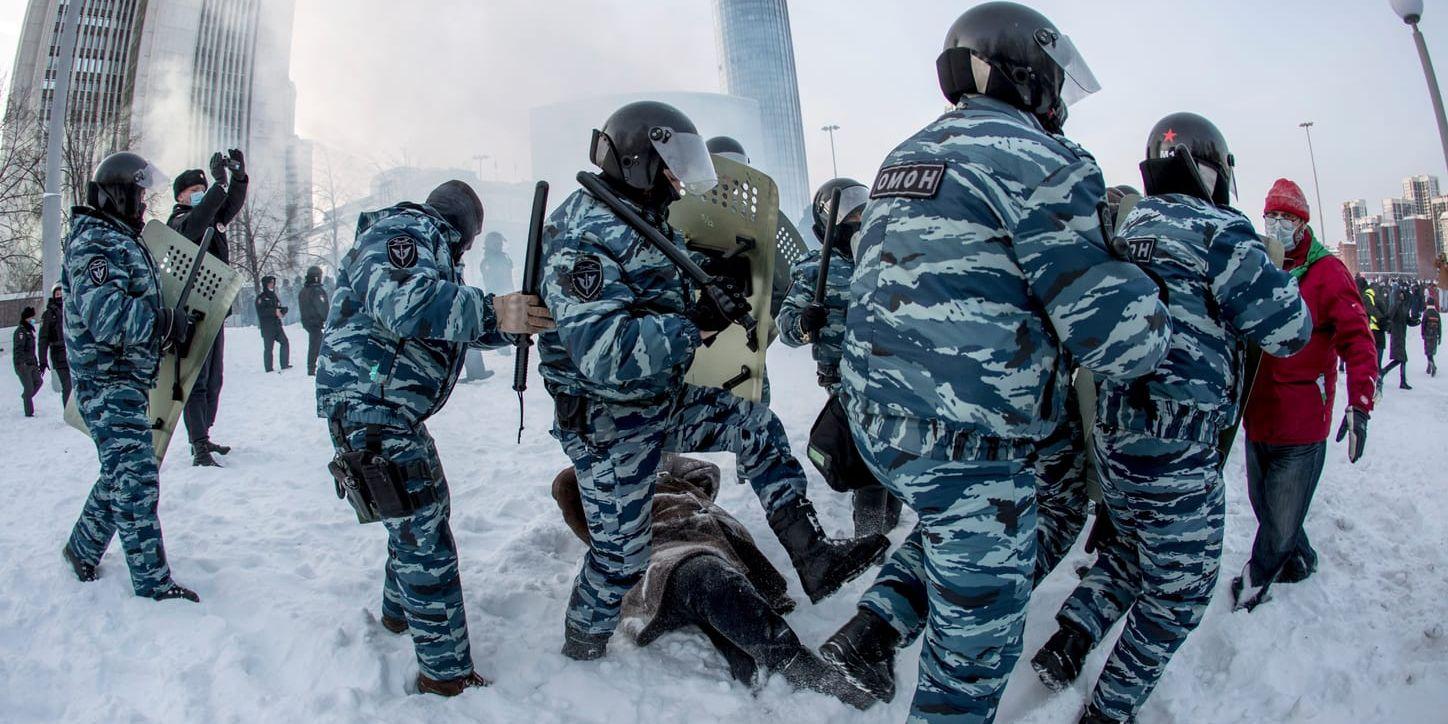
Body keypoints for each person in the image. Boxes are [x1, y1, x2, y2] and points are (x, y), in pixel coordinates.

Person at [824, 5, 1173, 721]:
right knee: (970, 662)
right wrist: (1138, 271)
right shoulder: (1046, 161)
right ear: (1031, 73)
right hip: (966, 439)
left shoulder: (905, 154)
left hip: (877, 425)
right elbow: (1120, 341)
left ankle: (875, 626)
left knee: (1042, 485)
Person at [536, 99, 889, 663]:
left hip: (656, 400)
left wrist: (708, 293)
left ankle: (814, 556)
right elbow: (602, 354)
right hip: (607, 422)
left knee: (753, 423)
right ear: (638, 159)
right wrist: (693, 324)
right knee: (621, 556)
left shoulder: (643, 215)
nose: (681, 181)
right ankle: (583, 642)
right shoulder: (585, 236)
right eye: (672, 165)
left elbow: (653, 300)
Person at [1029, 114, 1312, 724]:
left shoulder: (1126, 226)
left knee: (1131, 548)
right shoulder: (1220, 231)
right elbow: (1291, 331)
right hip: (1178, 447)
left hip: (1112, 434)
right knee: (1178, 593)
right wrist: (1274, 265)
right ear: (1216, 170)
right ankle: (1107, 712)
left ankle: (1069, 640)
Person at [316, 179, 552, 696]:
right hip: (373, 407)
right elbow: (405, 303)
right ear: (465, 226)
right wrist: (495, 311)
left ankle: (399, 613)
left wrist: (511, 321)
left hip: (384, 410)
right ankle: (446, 677)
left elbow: (439, 317)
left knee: (418, 514)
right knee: (424, 539)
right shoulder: (407, 230)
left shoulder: (421, 242)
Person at [551, 456, 877, 710]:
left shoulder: (667, 471)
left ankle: (747, 660)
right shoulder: (597, 486)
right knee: (703, 577)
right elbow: (571, 496)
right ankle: (797, 665)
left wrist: (659, 459)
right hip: (657, 548)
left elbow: (706, 471)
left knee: (722, 588)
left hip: (709, 535)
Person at [1231, 179, 1377, 612]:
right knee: (1266, 505)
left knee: (1278, 518)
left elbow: (1359, 340)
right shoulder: (1260, 267)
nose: (1277, 225)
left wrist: (1359, 405)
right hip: (1259, 416)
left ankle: (1255, 581)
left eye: (1286, 218)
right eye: (1271, 216)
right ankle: (1302, 558)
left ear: (1301, 223)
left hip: (1301, 421)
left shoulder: (1327, 272)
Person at [60, 151, 200, 603]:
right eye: (138, 194)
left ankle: (81, 549)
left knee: (120, 473)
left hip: (125, 380)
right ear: (115, 195)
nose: (143, 204)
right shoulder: (94, 244)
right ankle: (152, 584)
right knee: (136, 478)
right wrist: (162, 323)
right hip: (106, 382)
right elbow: (107, 317)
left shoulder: (117, 237)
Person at [775, 177, 902, 537]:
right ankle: (871, 534)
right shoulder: (815, 269)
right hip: (845, 379)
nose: (859, 220)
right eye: (851, 215)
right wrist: (804, 323)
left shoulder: (887, 258)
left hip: (891, 373)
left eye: (864, 211)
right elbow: (785, 327)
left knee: (894, 452)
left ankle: (888, 520)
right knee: (869, 458)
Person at [170, 149, 246, 467]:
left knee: (214, 379)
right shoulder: (177, 221)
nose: (201, 195)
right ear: (181, 196)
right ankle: (198, 443)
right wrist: (217, 185)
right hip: (191, 313)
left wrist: (238, 177)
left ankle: (204, 434)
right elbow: (196, 224)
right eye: (195, 192)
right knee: (197, 380)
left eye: (203, 191)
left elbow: (228, 206)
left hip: (214, 308)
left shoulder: (211, 216)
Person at [1378, 283, 1418, 391]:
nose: (1402, 296)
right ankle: (1390, 375)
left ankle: (1387, 373)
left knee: (1400, 359)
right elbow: (1389, 316)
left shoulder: (1403, 307)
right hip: (1396, 335)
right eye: (1400, 294)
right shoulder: (1395, 305)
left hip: (1401, 335)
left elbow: (1408, 320)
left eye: (1403, 294)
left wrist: (1415, 322)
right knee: (1402, 359)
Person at [36, 285, 71, 404]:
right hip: (59, 357)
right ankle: (69, 412)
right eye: (57, 294)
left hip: (73, 354)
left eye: (62, 294)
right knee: (68, 386)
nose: (60, 296)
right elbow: (43, 339)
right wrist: (43, 360)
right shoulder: (48, 315)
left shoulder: (71, 309)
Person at [255, 275, 291, 373]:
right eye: (270, 283)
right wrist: (274, 311)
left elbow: (278, 307)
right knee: (268, 348)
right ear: (265, 284)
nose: (272, 285)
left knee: (285, 342)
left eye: (273, 283)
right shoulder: (261, 298)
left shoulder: (274, 296)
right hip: (267, 327)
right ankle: (269, 368)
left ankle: (284, 364)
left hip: (277, 325)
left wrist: (282, 310)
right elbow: (261, 312)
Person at [298, 266, 329, 376]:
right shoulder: (316, 291)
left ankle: (313, 367)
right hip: (315, 322)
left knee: (316, 343)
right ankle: (313, 368)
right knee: (318, 344)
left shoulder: (304, 290)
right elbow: (322, 307)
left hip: (308, 322)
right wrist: (328, 318)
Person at [13, 306, 42, 417]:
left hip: (32, 363)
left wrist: (36, 363)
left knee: (38, 382)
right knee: (29, 387)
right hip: (23, 365)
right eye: (31, 317)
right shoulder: (20, 332)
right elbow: (18, 349)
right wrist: (21, 364)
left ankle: (26, 397)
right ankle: (29, 413)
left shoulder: (29, 331)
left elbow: (32, 350)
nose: (32, 319)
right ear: (26, 318)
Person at [1425, 296, 1441, 376]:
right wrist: (1439, 336)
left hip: (1427, 335)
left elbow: (1423, 325)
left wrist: (1422, 334)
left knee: (1428, 352)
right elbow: (1440, 326)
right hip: (1434, 335)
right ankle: (1429, 366)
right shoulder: (1437, 313)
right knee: (1431, 351)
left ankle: (1432, 365)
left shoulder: (1426, 313)